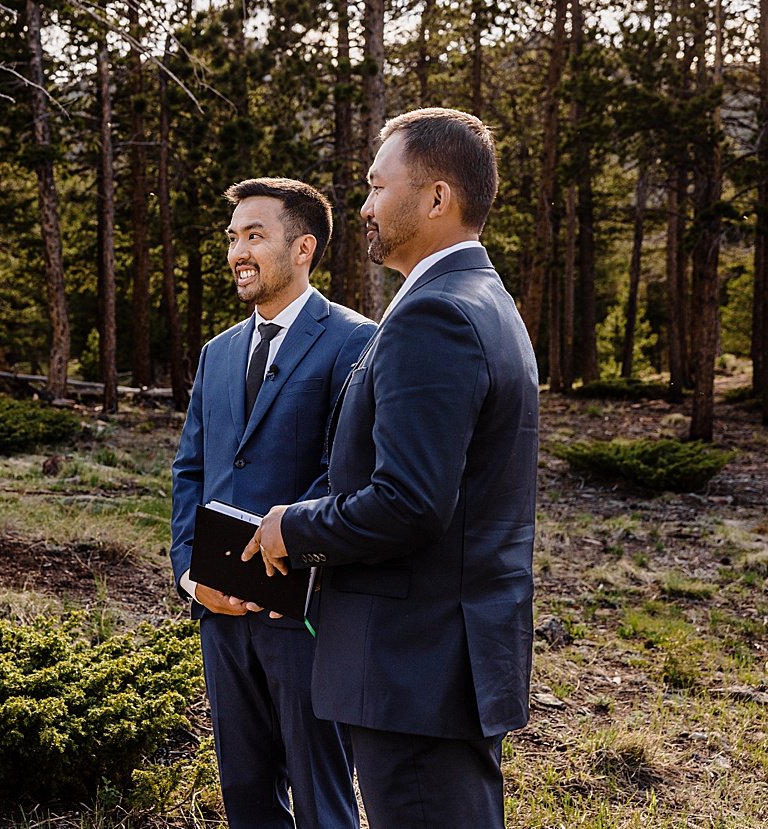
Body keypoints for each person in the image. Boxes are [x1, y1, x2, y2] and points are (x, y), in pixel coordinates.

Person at [246, 108, 539, 828]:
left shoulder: (433, 315)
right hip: (445, 661)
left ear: (438, 198)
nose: (366, 206)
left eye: (378, 187)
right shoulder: (483, 299)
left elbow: (409, 501)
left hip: (416, 666)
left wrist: (293, 527)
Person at [169, 177, 371, 829]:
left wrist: (269, 565)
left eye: (254, 235)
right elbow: (191, 472)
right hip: (221, 620)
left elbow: (344, 475)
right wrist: (189, 575)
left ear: (303, 247)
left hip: (310, 620)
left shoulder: (356, 342)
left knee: (323, 804)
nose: (237, 252)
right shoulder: (219, 352)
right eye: (232, 237)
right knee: (246, 797)